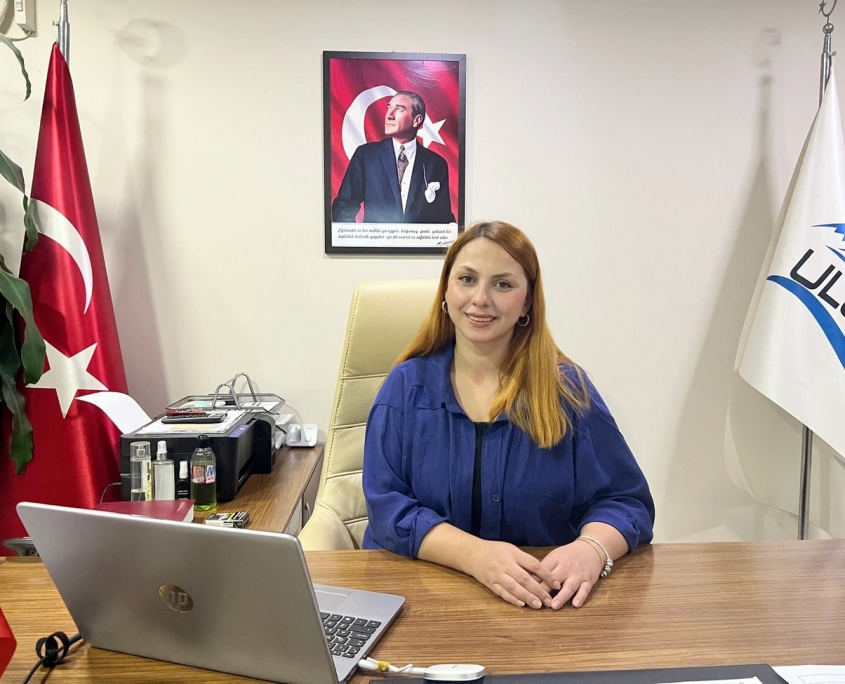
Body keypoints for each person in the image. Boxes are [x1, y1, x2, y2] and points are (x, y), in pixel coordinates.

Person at [362, 221, 654, 610]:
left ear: (527, 302)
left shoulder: (567, 391)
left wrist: (592, 549)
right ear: (446, 291)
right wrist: (474, 555)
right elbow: (386, 507)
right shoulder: (404, 388)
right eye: (467, 279)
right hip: (419, 599)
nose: (480, 298)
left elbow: (626, 501)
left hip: (540, 602)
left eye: (502, 284)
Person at [331, 91, 455, 224]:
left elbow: (443, 218)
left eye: (399, 109)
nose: (389, 115)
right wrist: (354, 236)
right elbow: (344, 206)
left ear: (417, 120)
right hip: (375, 238)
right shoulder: (366, 155)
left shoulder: (436, 163)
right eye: (389, 108)